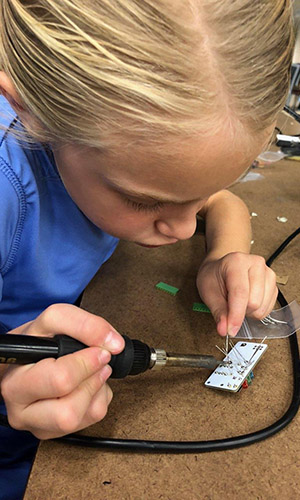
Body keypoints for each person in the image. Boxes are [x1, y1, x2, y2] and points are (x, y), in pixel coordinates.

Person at [0, 0, 293, 498]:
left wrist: (222, 256)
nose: (182, 228)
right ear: (29, 108)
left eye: (193, 197)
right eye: (144, 200)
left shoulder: (125, 154)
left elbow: (223, 202)